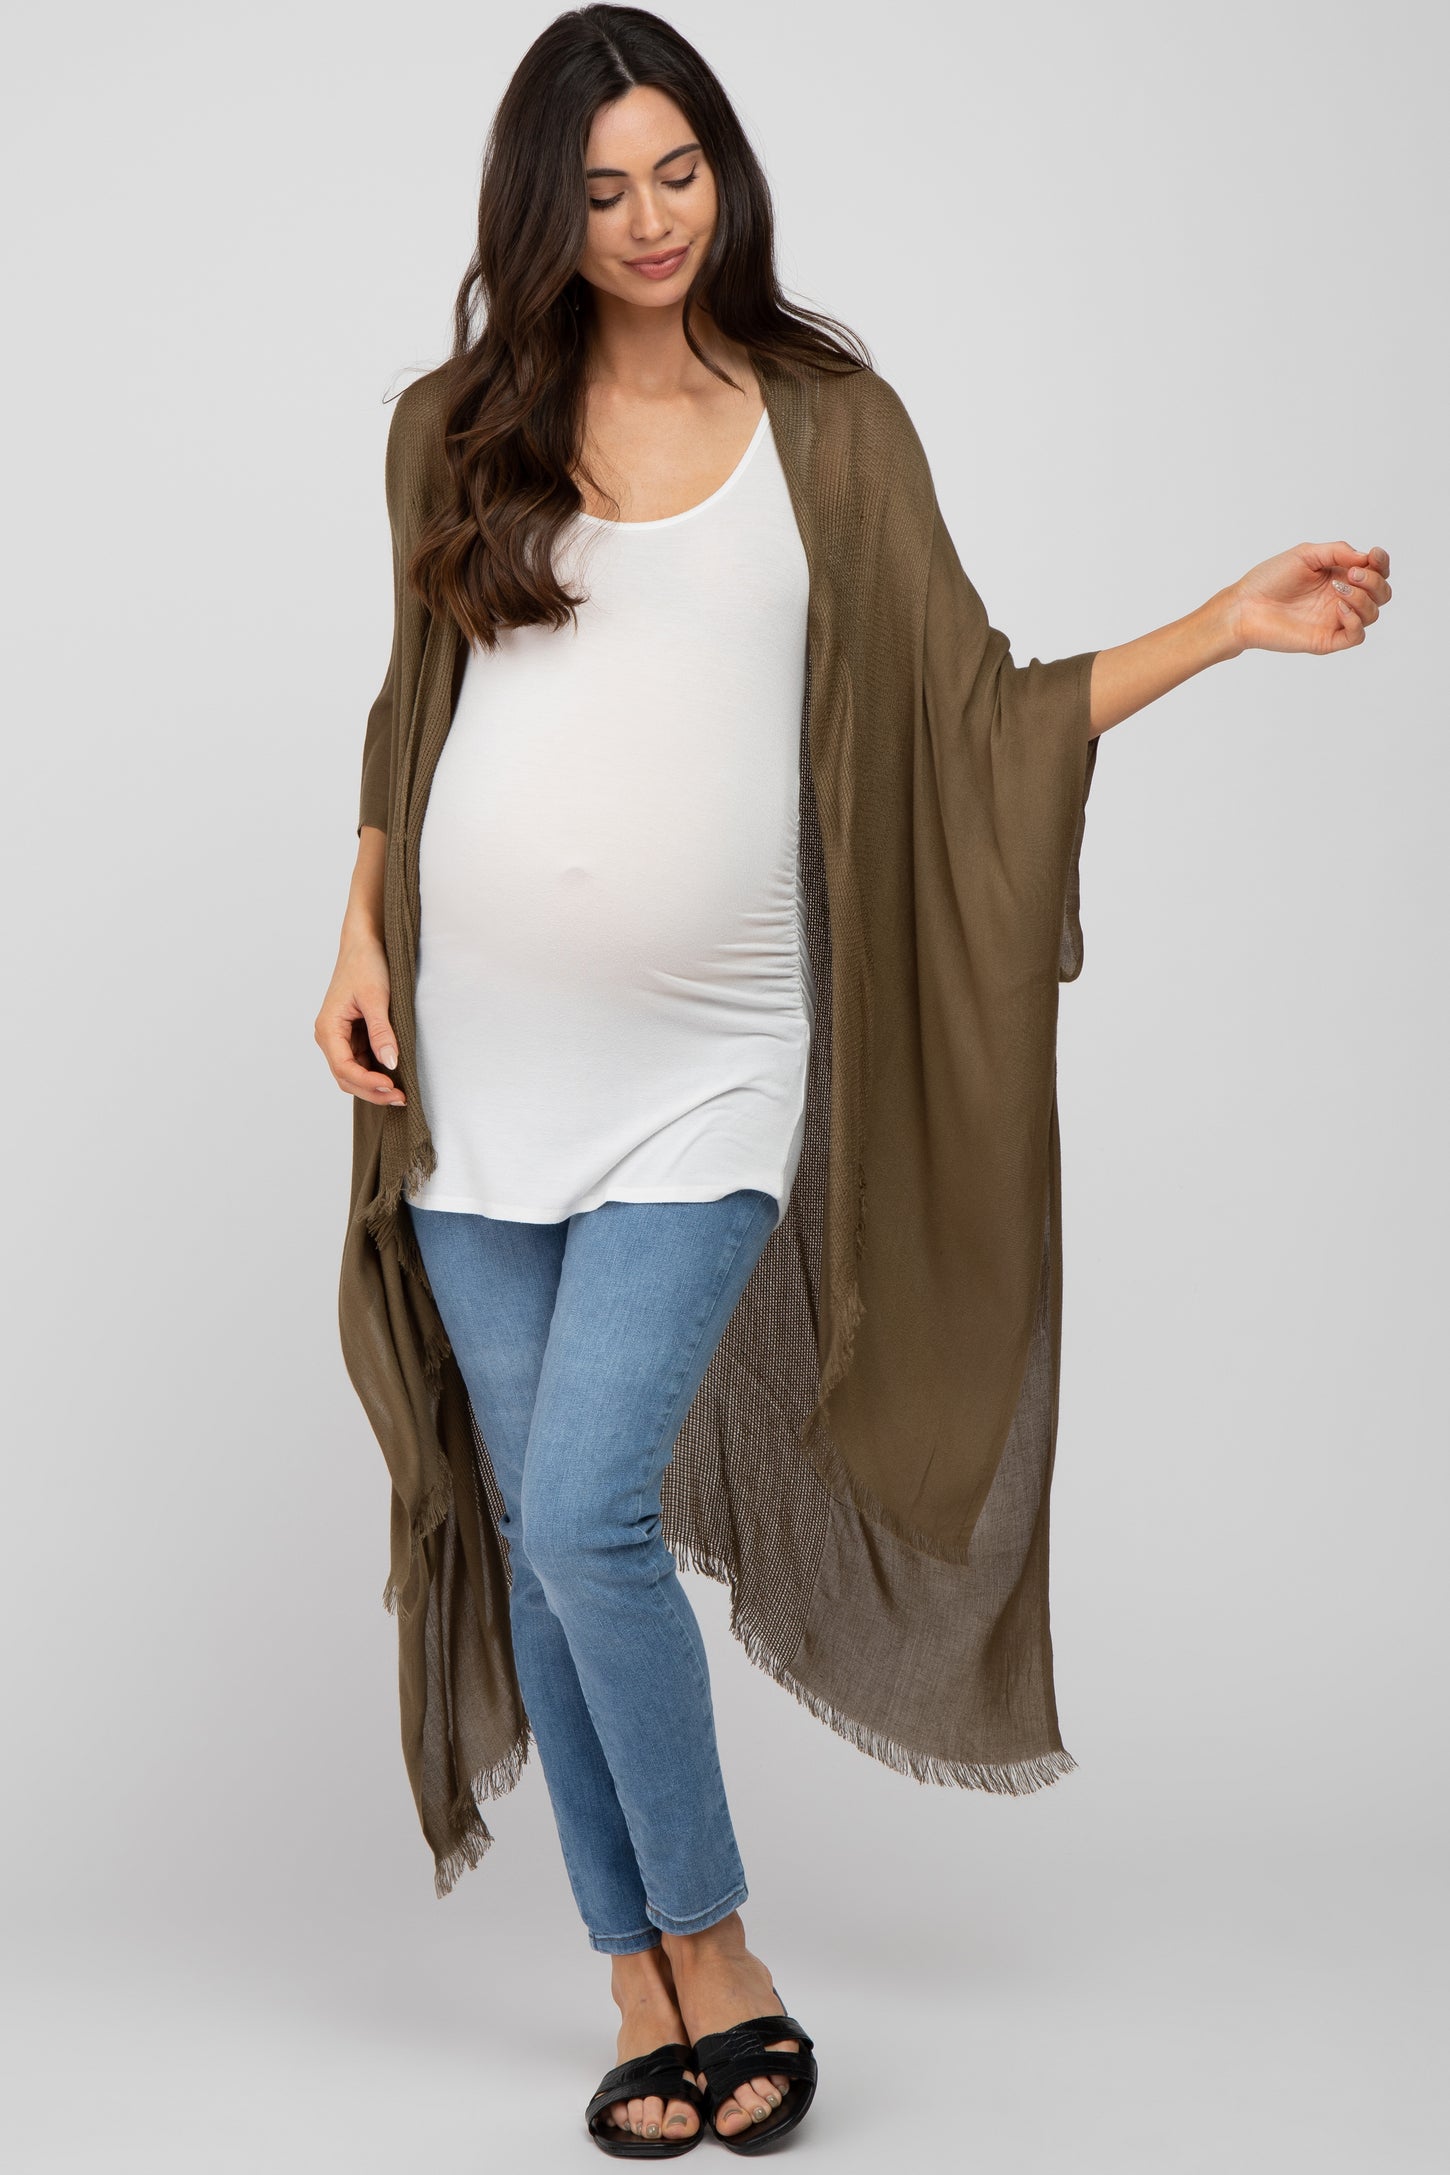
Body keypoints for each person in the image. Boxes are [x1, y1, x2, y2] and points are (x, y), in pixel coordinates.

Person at [314, 6, 1391, 2156]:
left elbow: (970, 719)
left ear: (722, 172)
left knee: (588, 1507)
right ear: (539, 209)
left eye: (676, 170)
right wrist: (355, 927)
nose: (646, 220)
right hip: (470, 1064)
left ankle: (718, 1947)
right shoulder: (457, 427)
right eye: (599, 188)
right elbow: (409, 701)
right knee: (535, 1535)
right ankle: (634, 1976)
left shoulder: (830, 425)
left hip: (709, 1066)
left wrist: (1217, 623)